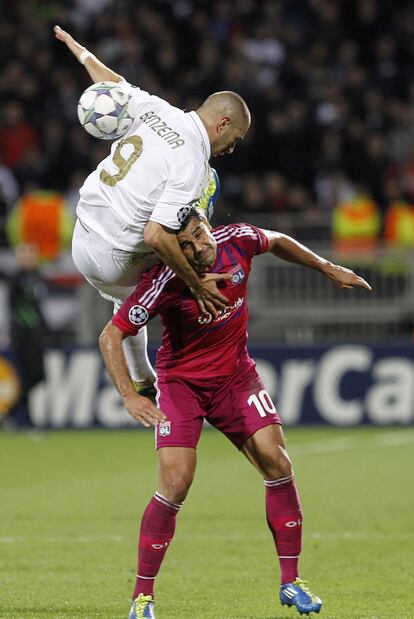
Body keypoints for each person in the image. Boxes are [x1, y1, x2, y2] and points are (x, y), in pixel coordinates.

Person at [99, 209, 371, 618]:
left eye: (197, 235)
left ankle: (291, 582)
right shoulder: (165, 281)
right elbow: (112, 334)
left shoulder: (238, 239)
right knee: (175, 483)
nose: (196, 248)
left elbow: (277, 238)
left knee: (277, 463)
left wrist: (327, 266)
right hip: (182, 385)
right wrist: (129, 395)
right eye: (184, 246)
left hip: (235, 378)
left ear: (208, 225)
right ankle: (142, 598)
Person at [54, 25, 250, 419]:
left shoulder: (160, 110)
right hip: (116, 258)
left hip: (83, 236)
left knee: (126, 294)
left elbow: (115, 86)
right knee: (195, 250)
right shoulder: (195, 164)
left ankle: (143, 377)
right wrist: (196, 285)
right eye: (236, 139)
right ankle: (188, 370)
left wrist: (81, 53)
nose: (231, 149)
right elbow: (155, 234)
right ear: (223, 125)